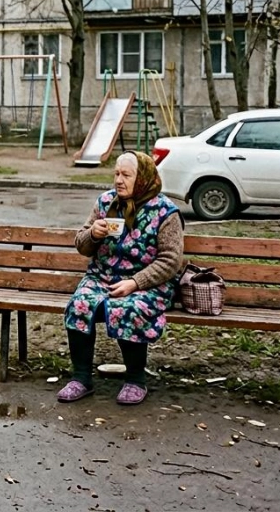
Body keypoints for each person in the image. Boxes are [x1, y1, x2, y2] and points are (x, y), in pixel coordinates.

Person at [57, 150, 185, 406]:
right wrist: (93, 234)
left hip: (146, 283)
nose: (118, 180)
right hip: (101, 278)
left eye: (126, 175)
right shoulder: (106, 203)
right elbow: (82, 246)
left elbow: (170, 261)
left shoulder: (165, 212)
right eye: (116, 173)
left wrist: (135, 283)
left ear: (143, 178)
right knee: (80, 303)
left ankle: (136, 380)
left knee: (128, 307)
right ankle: (81, 378)